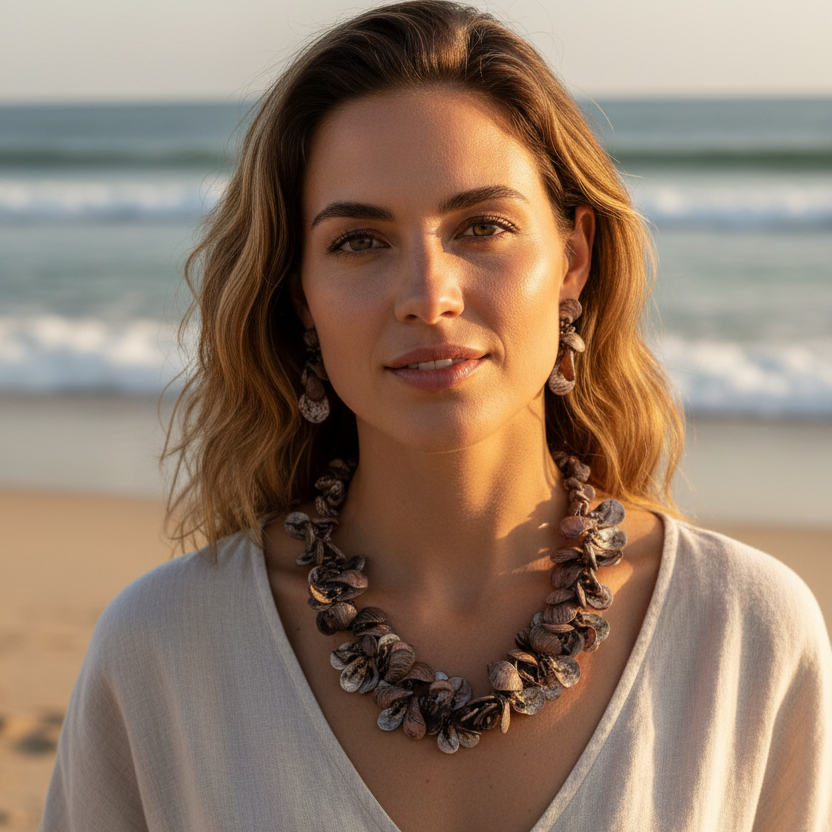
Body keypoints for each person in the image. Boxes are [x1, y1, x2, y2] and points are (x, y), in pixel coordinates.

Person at [40, 2, 831, 830]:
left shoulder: (745, 636)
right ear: (299, 294)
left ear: (573, 258)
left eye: (481, 227)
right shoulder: (165, 649)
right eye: (359, 241)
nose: (427, 295)